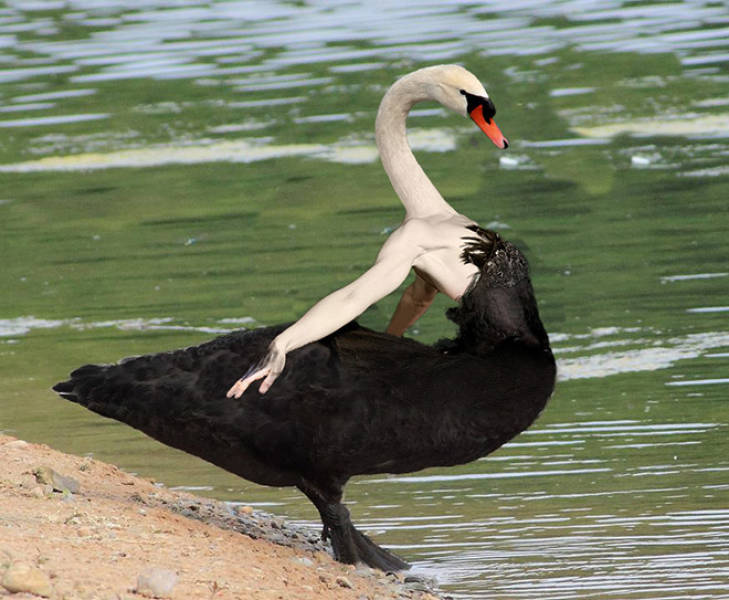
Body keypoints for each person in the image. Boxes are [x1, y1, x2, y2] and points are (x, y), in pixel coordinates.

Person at [226, 64, 508, 399]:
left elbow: (386, 297)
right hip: (520, 356)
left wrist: (284, 344)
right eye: (473, 104)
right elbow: (394, 295)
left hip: (505, 360)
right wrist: (389, 343)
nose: (482, 118)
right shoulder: (452, 229)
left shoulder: (427, 234)